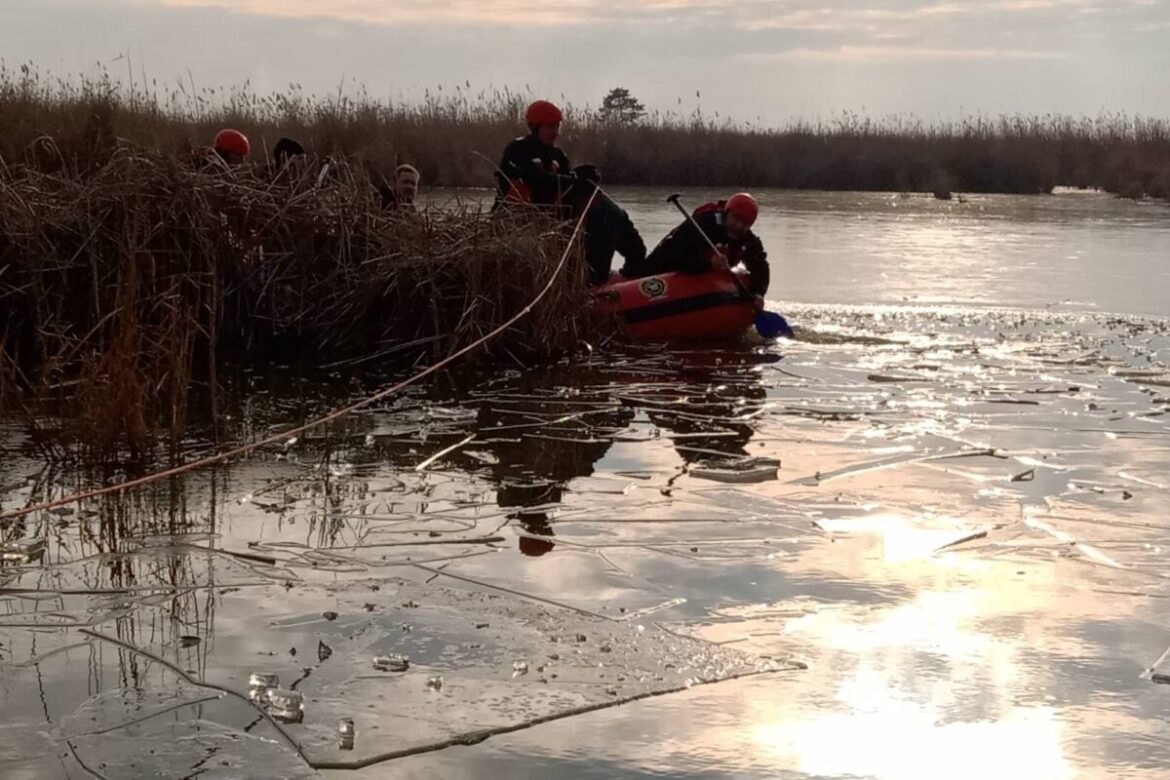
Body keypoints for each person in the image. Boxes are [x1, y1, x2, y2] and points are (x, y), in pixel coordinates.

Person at [623, 193, 770, 304]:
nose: (738, 226)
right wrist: (708, 265)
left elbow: (761, 266)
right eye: (735, 219)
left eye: (745, 223)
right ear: (727, 213)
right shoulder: (702, 225)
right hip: (665, 270)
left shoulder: (748, 240)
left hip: (702, 285)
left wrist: (758, 293)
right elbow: (676, 258)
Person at [563, 165, 646, 285]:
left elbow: (599, 265)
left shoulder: (607, 216)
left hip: (593, 281)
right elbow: (637, 250)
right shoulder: (611, 210)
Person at [494, 100, 575, 210]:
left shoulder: (558, 155)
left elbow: (569, 182)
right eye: (550, 127)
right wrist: (571, 181)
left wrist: (581, 179)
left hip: (549, 220)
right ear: (535, 128)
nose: (555, 132)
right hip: (513, 220)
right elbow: (534, 179)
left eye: (557, 127)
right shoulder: (517, 149)